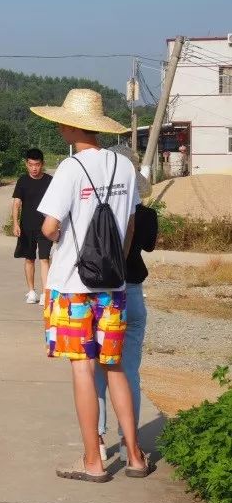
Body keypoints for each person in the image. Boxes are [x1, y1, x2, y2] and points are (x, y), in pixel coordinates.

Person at [31, 88, 152, 482]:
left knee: (83, 369)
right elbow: (131, 224)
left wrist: (65, 235)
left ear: (69, 126)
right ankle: (135, 456)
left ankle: (93, 461)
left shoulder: (69, 169)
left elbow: (49, 226)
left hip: (73, 286)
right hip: (113, 286)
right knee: (114, 366)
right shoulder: (122, 165)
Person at [95, 145, 157, 463]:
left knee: (96, 370)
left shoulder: (96, 207)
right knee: (129, 371)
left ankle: (98, 440)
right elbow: (148, 243)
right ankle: (131, 442)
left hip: (102, 295)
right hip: (133, 292)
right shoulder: (146, 214)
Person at [12, 148, 53, 305]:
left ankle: (44, 293)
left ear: (42, 164)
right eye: (31, 165)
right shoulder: (22, 180)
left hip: (45, 227)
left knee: (44, 259)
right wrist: (15, 223)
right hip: (26, 226)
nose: (34, 168)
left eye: (37, 165)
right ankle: (31, 291)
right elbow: (17, 203)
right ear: (26, 164)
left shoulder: (50, 180)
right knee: (29, 258)